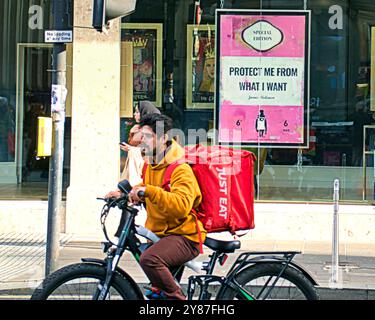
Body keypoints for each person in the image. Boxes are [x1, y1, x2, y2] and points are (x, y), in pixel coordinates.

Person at [106, 113, 205, 300]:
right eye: (142, 136)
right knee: (157, 294)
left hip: (184, 236)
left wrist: (148, 191)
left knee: (150, 259)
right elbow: (145, 191)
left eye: (149, 136)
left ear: (164, 138)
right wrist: (125, 195)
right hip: (163, 235)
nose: (143, 141)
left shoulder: (180, 168)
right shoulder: (150, 165)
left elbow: (182, 205)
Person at [120, 100, 160, 186]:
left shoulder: (154, 129)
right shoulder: (137, 127)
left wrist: (132, 149)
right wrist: (131, 133)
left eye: (137, 112)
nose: (134, 114)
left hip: (149, 167)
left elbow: (153, 149)